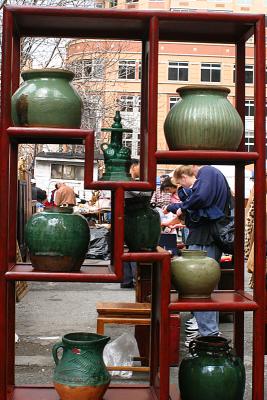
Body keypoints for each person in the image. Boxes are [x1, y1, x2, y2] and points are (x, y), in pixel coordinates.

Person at [171, 165, 231, 346]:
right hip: (208, 237)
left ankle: (208, 333)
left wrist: (183, 208)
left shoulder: (208, 172)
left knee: (200, 287)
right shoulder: (213, 175)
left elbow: (202, 198)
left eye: (182, 181)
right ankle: (208, 330)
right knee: (206, 286)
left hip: (205, 238)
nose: (185, 185)